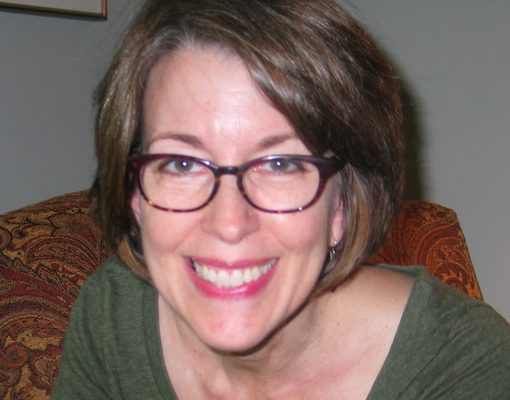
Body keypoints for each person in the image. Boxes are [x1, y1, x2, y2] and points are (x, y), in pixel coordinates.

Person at [52, 0, 510, 398]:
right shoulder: (113, 322)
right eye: (182, 163)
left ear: (342, 205)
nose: (229, 223)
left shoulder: (461, 365)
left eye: (279, 164)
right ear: (134, 195)